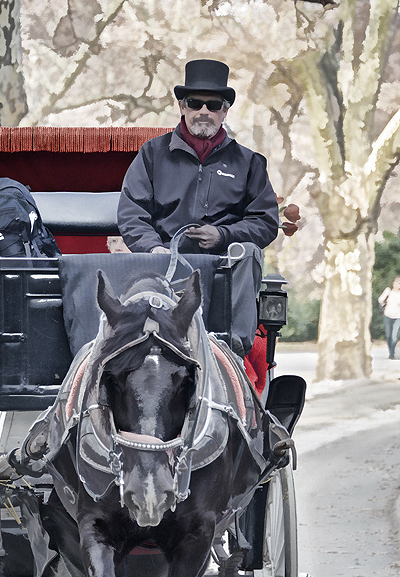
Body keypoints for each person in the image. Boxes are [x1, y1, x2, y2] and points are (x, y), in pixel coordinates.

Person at [116, 59, 280, 356]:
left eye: (213, 104)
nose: (204, 111)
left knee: (249, 252)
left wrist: (223, 235)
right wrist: (154, 248)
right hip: (163, 263)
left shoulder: (249, 163)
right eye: (195, 103)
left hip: (224, 266)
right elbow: (131, 213)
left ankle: (233, 351)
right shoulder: (152, 154)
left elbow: (266, 222)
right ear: (182, 106)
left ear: (224, 111)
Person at [378, 276, 400, 359]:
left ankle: (392, 353)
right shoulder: (388, 291)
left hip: (398, 317)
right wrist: (384, 303)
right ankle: (390, 350)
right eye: (396, 282)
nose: (398, 284)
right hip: (388, 315)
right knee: (388, 336)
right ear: (393, 283)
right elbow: (380, 299)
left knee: (394, 336)